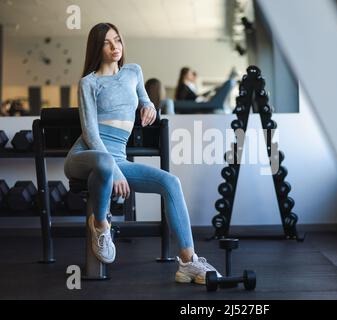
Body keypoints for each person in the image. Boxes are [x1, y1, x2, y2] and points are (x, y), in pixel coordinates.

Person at [63, 22, 220, 285]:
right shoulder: (88, 83)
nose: (115, 47)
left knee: (170, 182)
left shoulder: (133, 72)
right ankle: (101, 226)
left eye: (118, 40)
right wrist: (114, 169)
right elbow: (90, 134)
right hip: (86, 155)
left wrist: (148, 105)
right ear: (96, 47)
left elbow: (144, 99)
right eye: (107, 42)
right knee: (103, 162)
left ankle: (188, 262)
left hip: (117, 159)